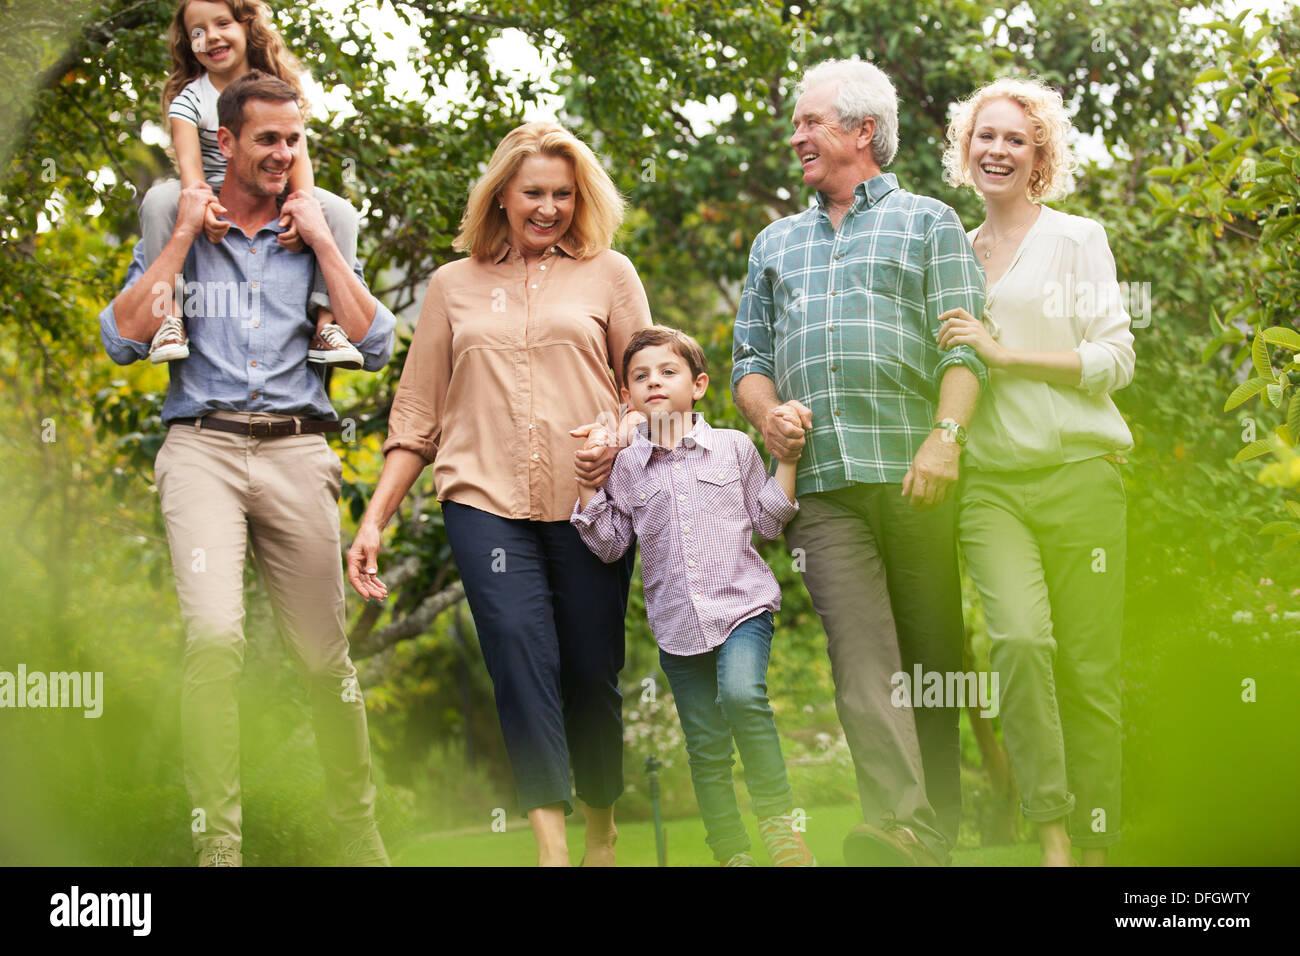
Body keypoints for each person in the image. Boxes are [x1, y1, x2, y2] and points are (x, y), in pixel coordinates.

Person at [99, 71, 397, 866]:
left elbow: (373, 347)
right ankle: (219, 845)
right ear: (225, 142)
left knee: (323, 657)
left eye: (294, 140)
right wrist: (179, 241)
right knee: (214, 638)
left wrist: (326, 243)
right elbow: (121, 336)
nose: (282, 153)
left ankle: (356, 830)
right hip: (202, 445)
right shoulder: (179, 214)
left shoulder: (325, 219)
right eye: (267, 139)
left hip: (298, 447)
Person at [346, 122, 652, 867]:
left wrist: (621, 433)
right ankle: (550, 850)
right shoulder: (452, 286)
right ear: (502, 197)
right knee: (517, 656)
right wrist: (374, 519)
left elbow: (650, 390)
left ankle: (600, 832)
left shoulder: (611, 274)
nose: (547, 208)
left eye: (561, 194)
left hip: (592, 504)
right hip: (481, 500)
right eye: (532, 193)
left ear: (579, 199)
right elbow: (417, 414)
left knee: (590, 670)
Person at [731, 57, 988, 866]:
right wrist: (769, 415)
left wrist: (944, 440)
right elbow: (747, 362)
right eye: (800, 123)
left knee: (933, 657)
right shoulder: (776, 243)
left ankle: (933, 828)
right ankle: (905, 821)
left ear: (862, 131)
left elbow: (965, 354)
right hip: (826, 490)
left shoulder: (928, 223)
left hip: (916, 474)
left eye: (810, 122)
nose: (796, 135)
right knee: (861, 654)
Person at [937, 76, 1134, 866]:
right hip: (991, 487)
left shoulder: (1076, 238)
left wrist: (1006, 355)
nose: (998, 150)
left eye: (1015, 139)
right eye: (985, 136)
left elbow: (1115, 357)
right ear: (965, 150)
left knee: (1089, 670)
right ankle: (1052, 836)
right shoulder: (954, 250)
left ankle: (1097, 848)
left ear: (1038, 156)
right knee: (1018, 642)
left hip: (1083, 473)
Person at [569, 326, 815, 867]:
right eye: (640, 376)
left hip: (742, 609)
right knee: (705, 747)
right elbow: (610, 545)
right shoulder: (626, 466)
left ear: (698, 384)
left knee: (743, 696)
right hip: (678, 631)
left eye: (667, 372)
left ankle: (781, 831)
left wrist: (789, 458)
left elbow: (770, 521)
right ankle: (730, 853)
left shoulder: (733, 448)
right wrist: (588, 483)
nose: (653, 382)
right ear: (625, 394)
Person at [141, 0, 362, 368]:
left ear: (247, 27)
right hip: (211, 188)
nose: (210, 37)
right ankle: (169, 316)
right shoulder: (190, 101)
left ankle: (327, 324)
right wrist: (201, 209)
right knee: (157, 201)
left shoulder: (278, 91)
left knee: (337, 211)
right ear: (188, 43)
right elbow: (189, 170)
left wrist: (300, 208)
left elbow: (298, 160)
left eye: (222, 24)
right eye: (198, 32)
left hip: (273, 186)